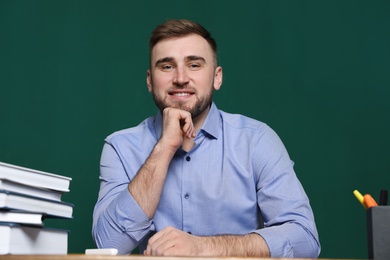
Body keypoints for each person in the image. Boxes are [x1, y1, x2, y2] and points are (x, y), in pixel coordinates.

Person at [92, 19, 320, 258]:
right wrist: (165, 147)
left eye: (194, 65)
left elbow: (304, 239)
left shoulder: (257, 140)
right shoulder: (120, 147)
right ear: (150, 81)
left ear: (217, 77)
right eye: (167, 66)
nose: (180, 78)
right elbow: (109, 245)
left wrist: (202, 247)